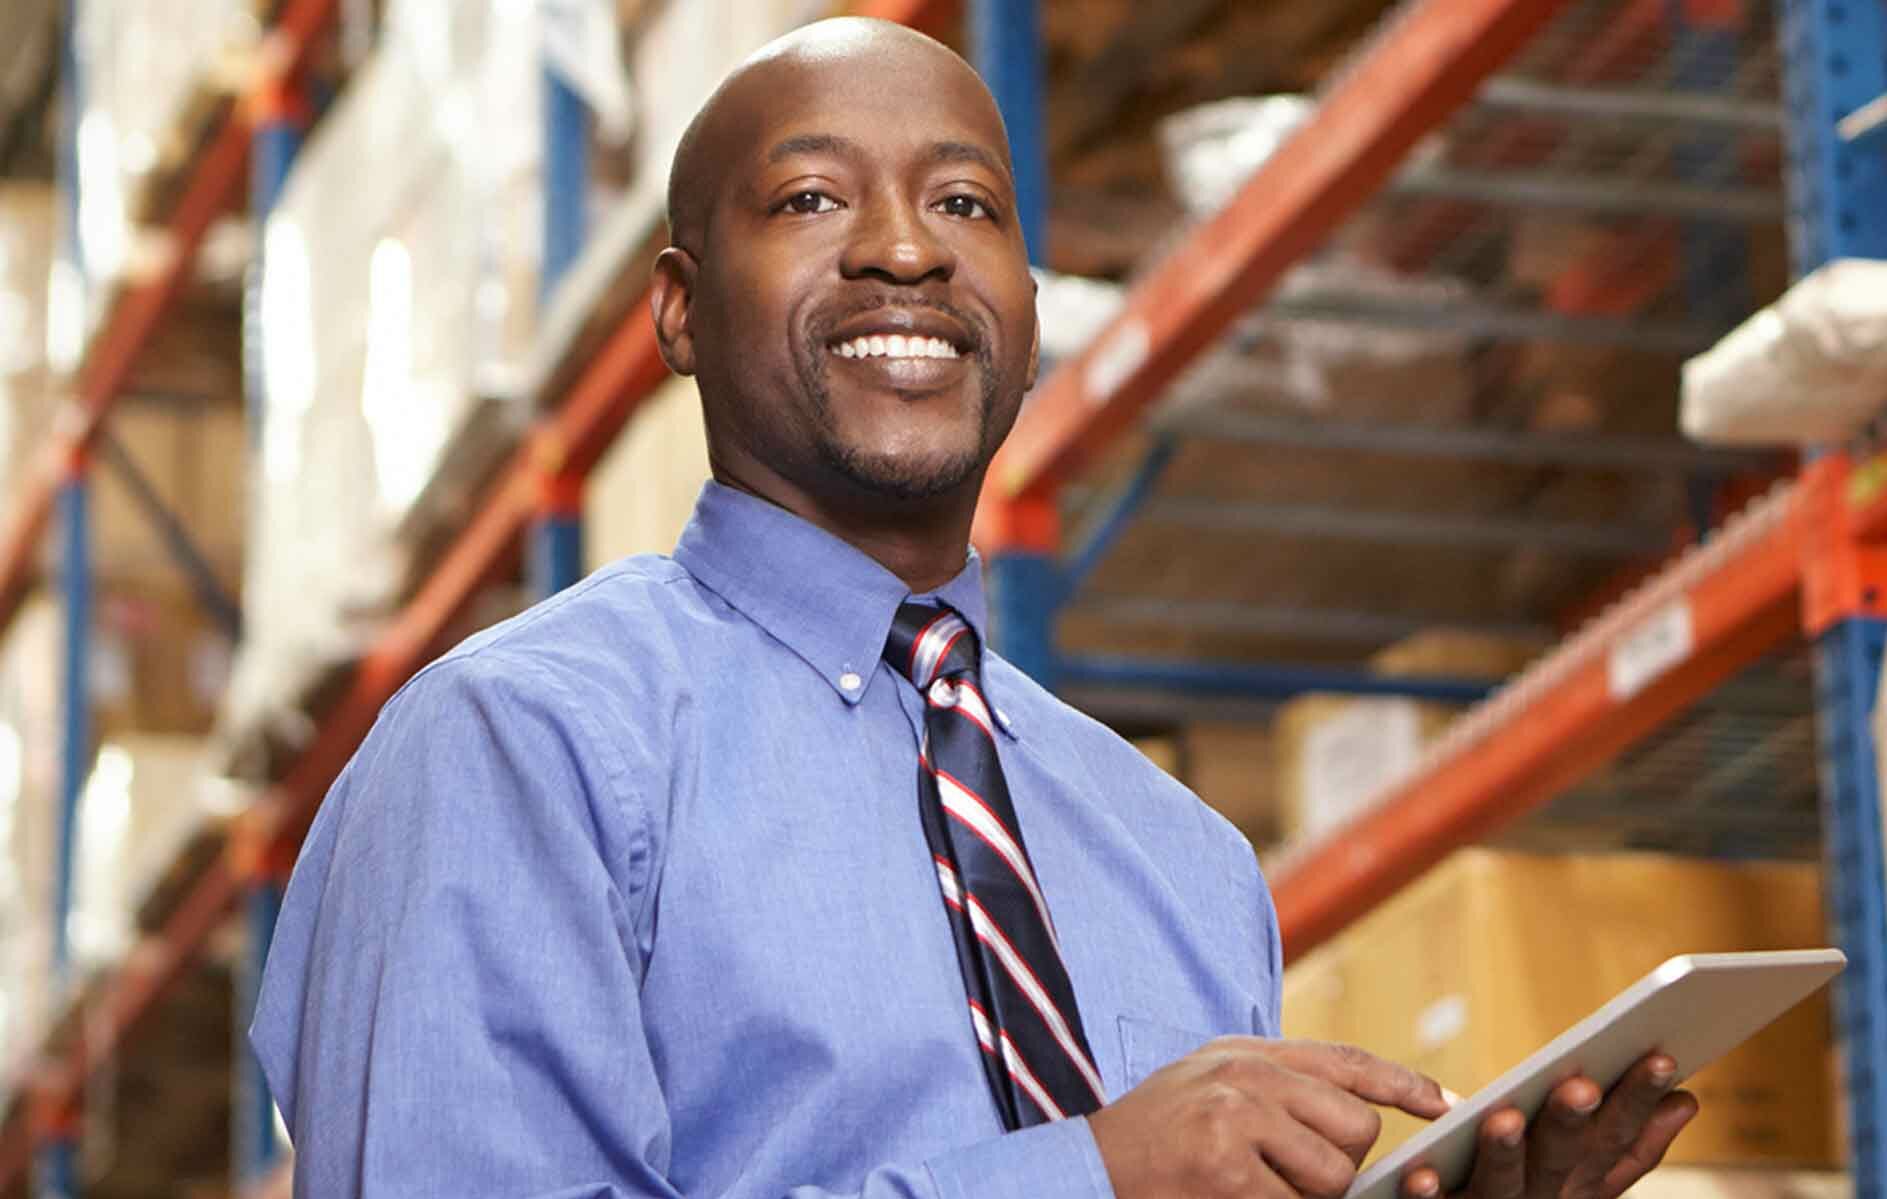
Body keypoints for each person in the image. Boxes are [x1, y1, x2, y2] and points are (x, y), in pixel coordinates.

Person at [252, 17, 1699, 1199]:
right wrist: (1096, 1177)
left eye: (965, 203)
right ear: (681, 309)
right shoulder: (520, 750)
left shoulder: (1183, 860)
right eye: (814, 198)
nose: (906, 250)